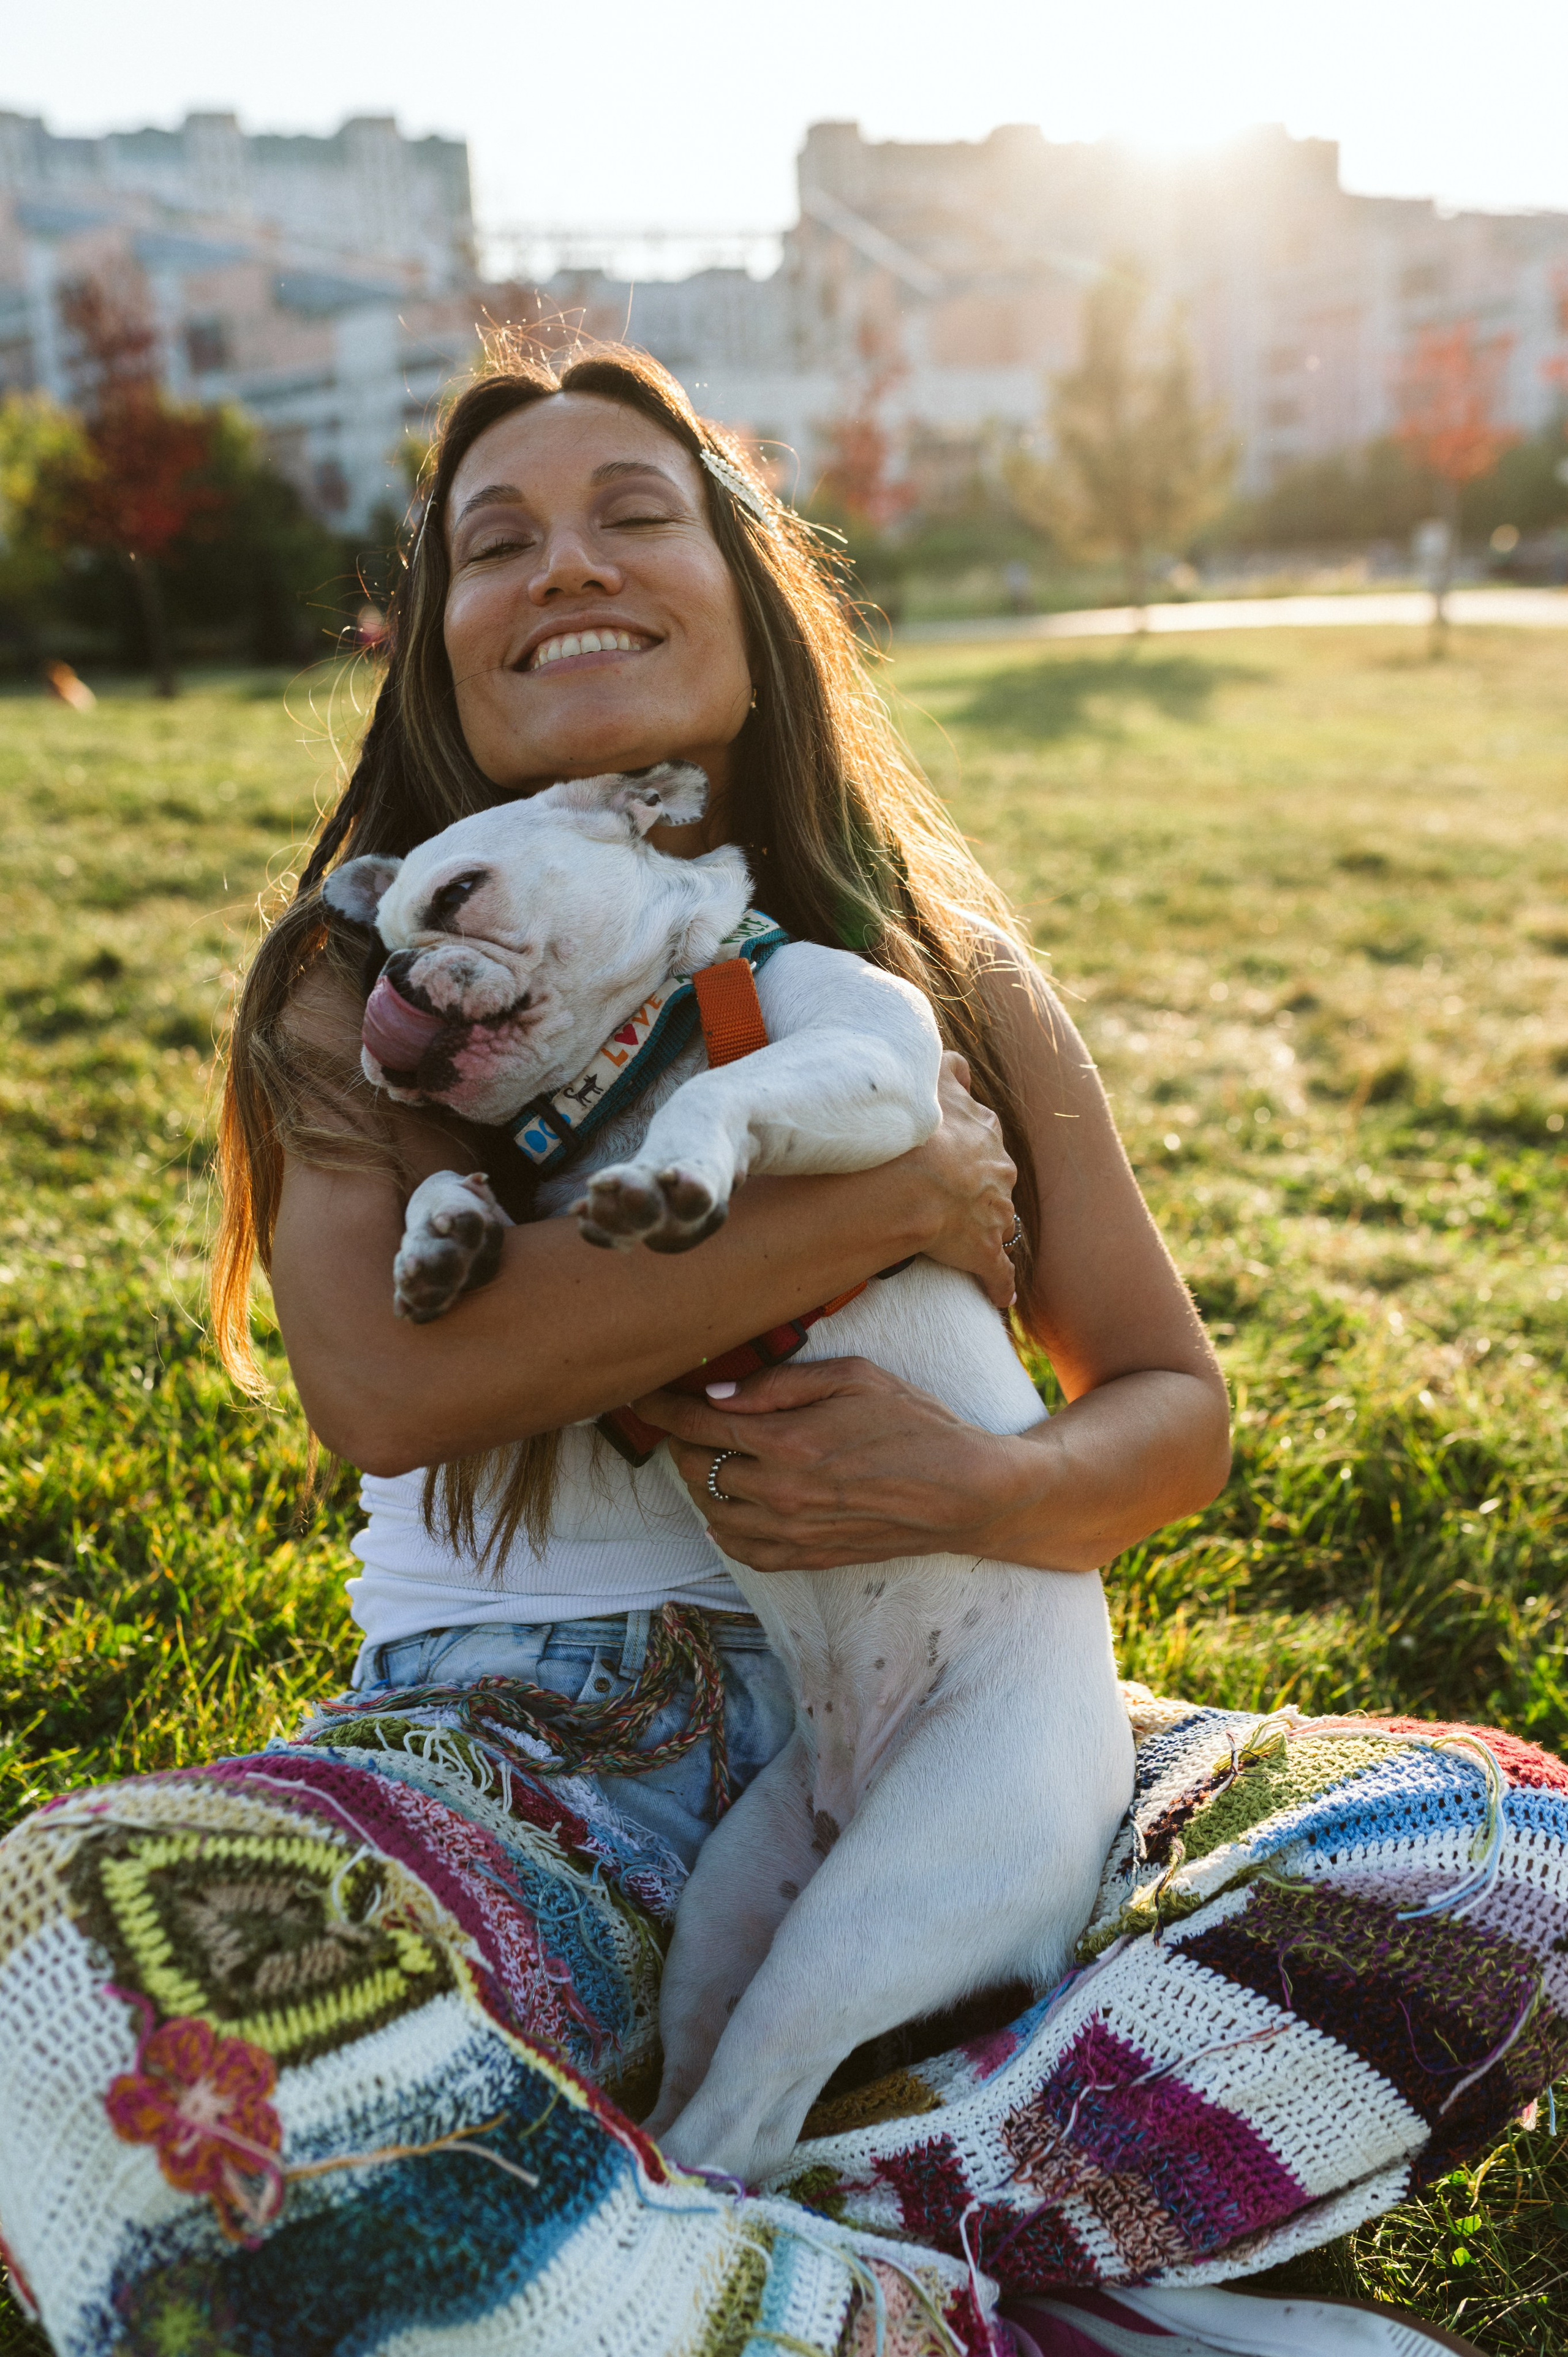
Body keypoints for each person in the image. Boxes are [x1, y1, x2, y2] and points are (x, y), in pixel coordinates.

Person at [0, 347, 1518, 2357]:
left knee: (1493, 1851)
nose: (567, 566)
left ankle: (709, 2225)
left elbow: (1174, 1405)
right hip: (535, 1769)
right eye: (495, 541)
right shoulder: (370, 984)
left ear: (750, 585)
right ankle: (985, 2271)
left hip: (966, 1713)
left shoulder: (946, 969)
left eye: (636, 512)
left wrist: (987, 1486)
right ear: (435, 644)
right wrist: (890, 1202)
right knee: (69, 1953)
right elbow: (392, 1386)